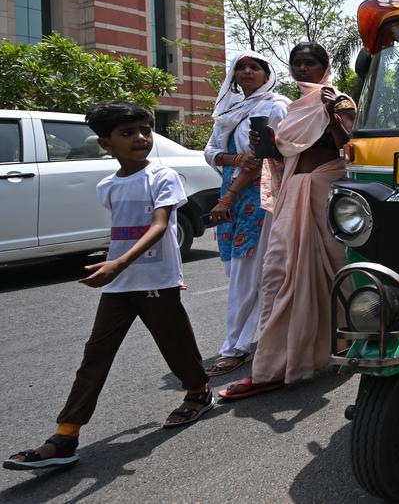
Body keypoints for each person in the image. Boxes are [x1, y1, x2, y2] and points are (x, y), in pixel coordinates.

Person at [4, 102, 211, 471]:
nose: (141, 139)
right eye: (128, 133)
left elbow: (160, 226)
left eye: (145, 131)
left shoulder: (163, 177)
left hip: (154, 280)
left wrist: (119, 263)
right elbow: (122, 230)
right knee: (95, 355)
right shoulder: (107, 185)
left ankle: (198, 392)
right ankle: (65, 435)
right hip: (119, 282)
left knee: (174, 342)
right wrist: (112, 261)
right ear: (106, 143)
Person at [217, 42, 356, 400]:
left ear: (324, 66)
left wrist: (334, 112)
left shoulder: (339, 99)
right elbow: (282, 153)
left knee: (333, 273)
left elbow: (351, 146)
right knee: (280, 275)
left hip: (326, 188)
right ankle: (272, 365)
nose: (302, 69)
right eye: (297, 63)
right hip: (293, 191)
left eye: (310, 63)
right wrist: (266, 144)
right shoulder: (293, 108)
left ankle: (345, 342)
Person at [201, 53, 290, 377]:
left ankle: (235, 347)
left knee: (245, 270)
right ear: (233, 75)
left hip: (259, 195)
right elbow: (209, 151)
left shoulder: (276, 106)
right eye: (242, 66)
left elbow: (265, 159)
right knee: (233, 267)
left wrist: (230, 193)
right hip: (230, 193)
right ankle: (275, 333)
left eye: (256, 67)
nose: (248, 71)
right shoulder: (227, 110)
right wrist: (234, 159)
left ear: (267, 74)